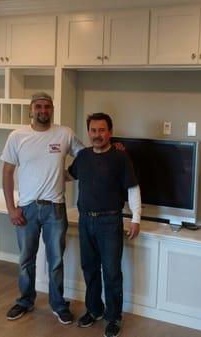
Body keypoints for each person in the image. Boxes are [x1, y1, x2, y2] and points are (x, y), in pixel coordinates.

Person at [0, 92, 83, 324]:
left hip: (55, 209)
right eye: (39, 106)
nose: (43, 110)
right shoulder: (17, 137)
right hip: (26, 209)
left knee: (55, 260)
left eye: (47, 107)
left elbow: (86, 157)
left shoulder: (64, 134)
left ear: (52, 109)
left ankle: (58, 305)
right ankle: (25, 301)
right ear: (31, 109)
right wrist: (11, 208)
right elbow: (7, 173)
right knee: (26, 259)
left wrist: (66, 175)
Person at [68, 112, 141, 337]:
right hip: (85, 220)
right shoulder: (82, 157)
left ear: (109, 131)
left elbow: (132, 188)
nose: (97, 135)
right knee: (89, 269)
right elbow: (67, 176)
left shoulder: (120, 157)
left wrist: (136, 218)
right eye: (93, 130)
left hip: (110, 222)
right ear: (88, 132)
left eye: (102, 130)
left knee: (111, 272)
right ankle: (94, 310)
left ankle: (114, 317)